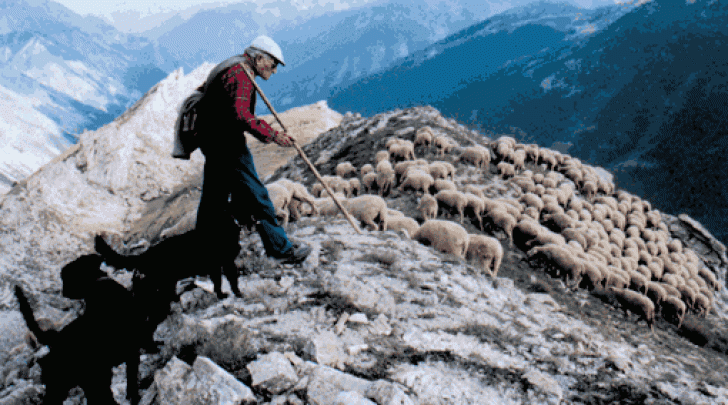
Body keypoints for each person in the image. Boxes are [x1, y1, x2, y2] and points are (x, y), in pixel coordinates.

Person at [194, 35, 311, 266]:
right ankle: (280, 250)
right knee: (258, 197)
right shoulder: (242, 75)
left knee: (213, 200)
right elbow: (241, 115)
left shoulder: (233, 66)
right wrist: (275, 136)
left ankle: (201, 252)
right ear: (259, 58)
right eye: (274, 64)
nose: (275, 71)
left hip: (212, 142)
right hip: (228, 145)